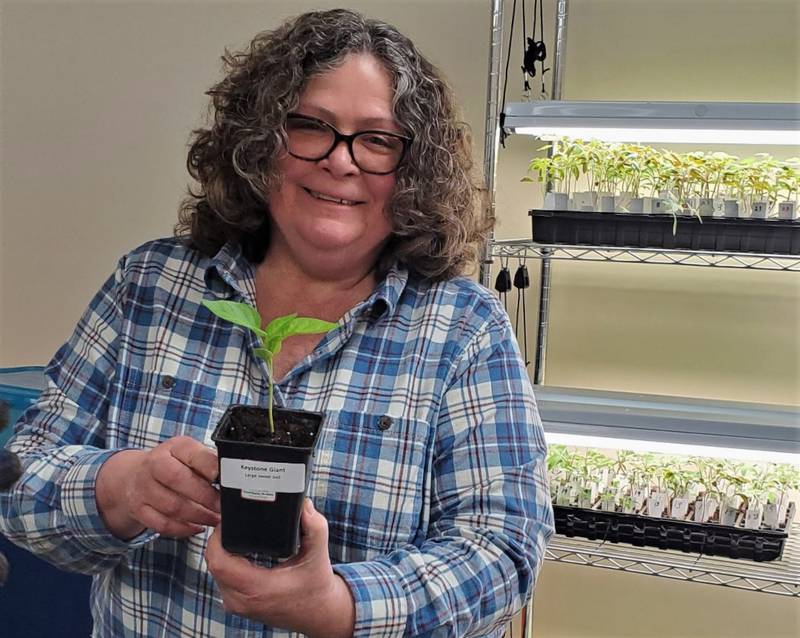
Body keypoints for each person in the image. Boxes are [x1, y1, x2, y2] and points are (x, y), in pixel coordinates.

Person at [0, 8, 553, 637]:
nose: (340, 161)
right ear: (260, 144)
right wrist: (117, 490)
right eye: (311, 126)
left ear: (412, 171)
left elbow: (503, 552)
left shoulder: (464, 331)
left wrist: (338, 604)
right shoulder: (150, 288)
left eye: (376, 139)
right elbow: (18, 478)